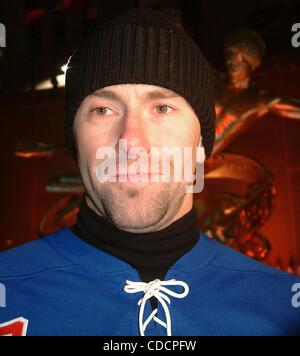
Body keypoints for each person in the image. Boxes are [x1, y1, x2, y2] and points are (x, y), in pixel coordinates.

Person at [0, 8, 299, 337]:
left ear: (202, 140)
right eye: (103, 109)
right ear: (74, 137)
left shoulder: (285, 312)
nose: (131, 141)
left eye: (162, 108)